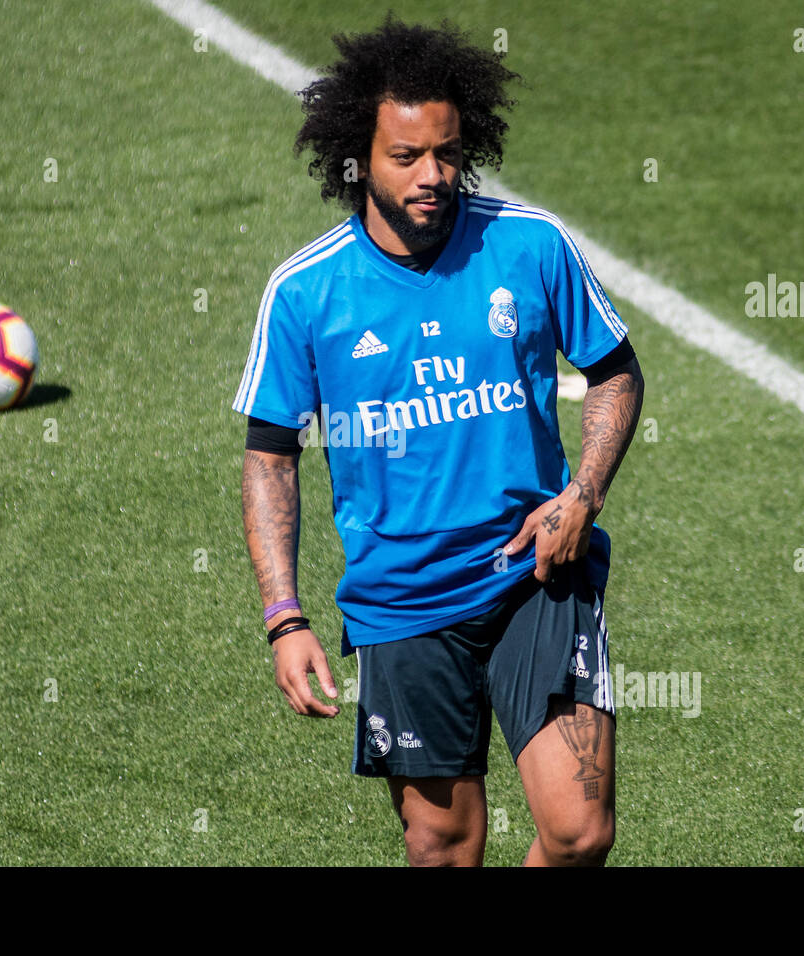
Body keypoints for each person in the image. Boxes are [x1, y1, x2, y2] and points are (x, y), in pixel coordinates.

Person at [233, 15, 643, 866]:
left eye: (448, 154)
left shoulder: (528, 244)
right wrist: (285, 618)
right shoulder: (308, 293)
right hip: (403, 601)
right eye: (407, 157)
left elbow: (615, 371)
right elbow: (271, 455)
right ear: (359, 157)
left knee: (579, 833)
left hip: (538, 571)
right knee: (444, 845)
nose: (433, 177)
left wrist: (584, 495)